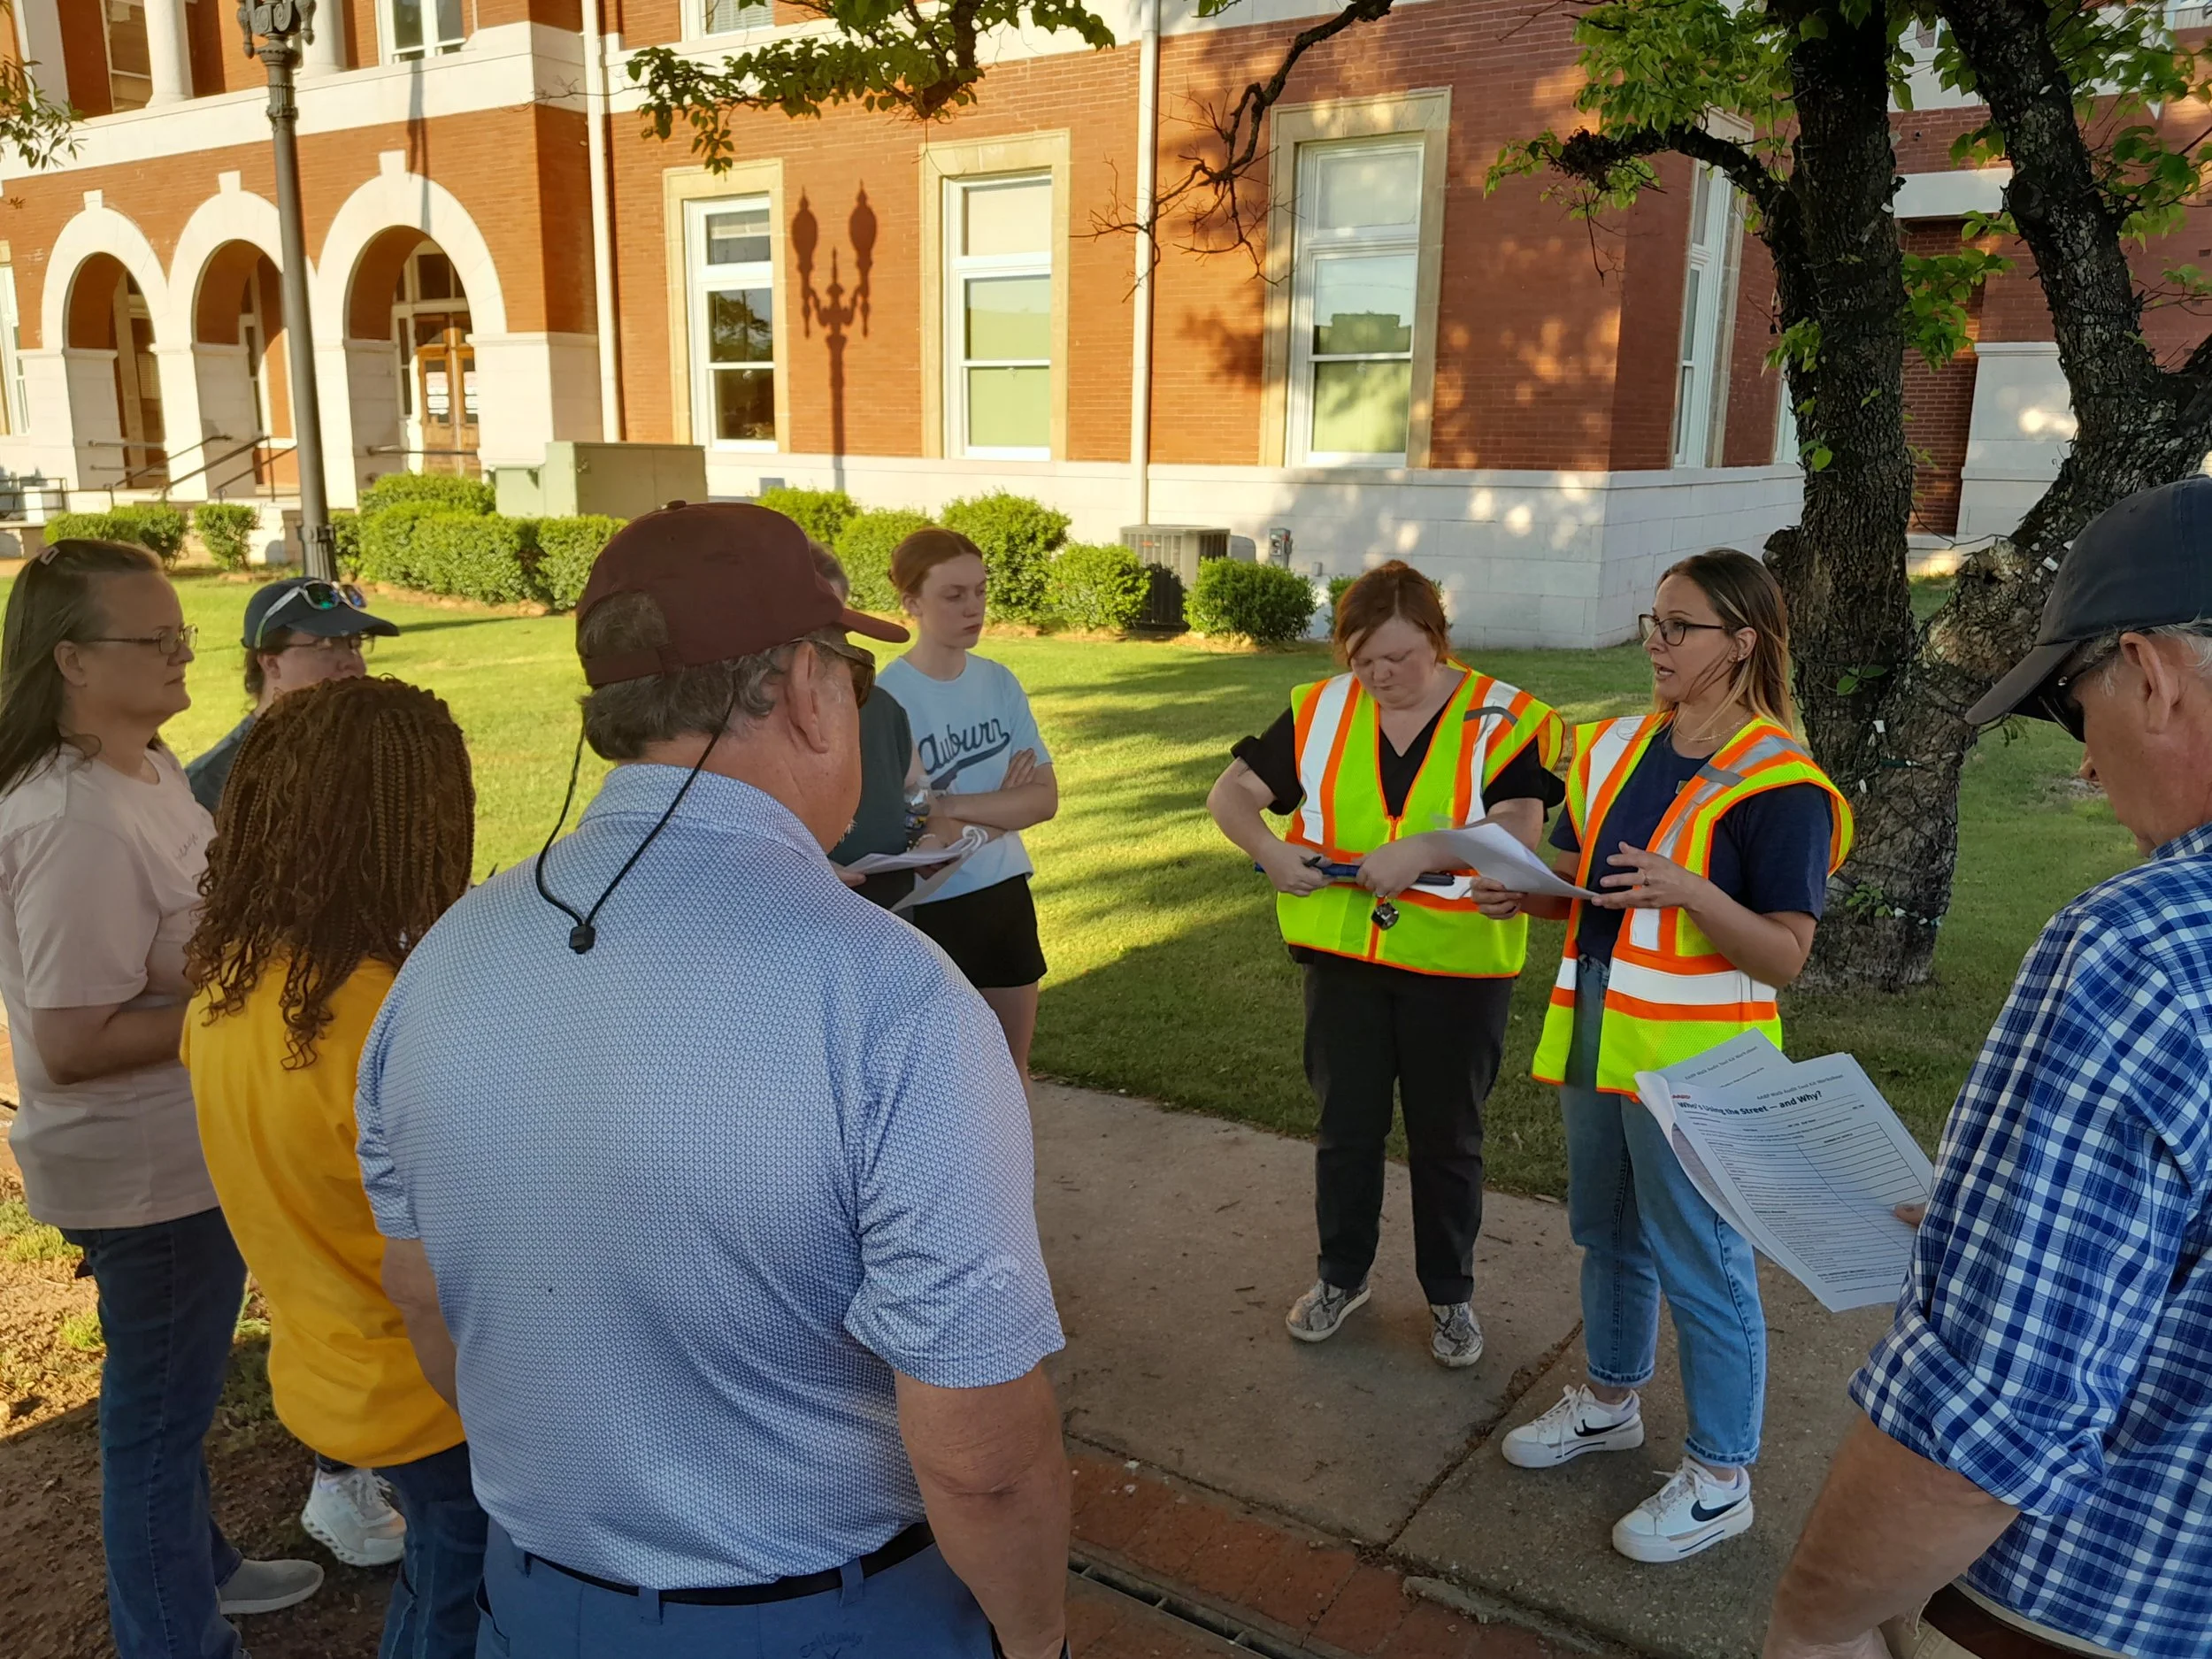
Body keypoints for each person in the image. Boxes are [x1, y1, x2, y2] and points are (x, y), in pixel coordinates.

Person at [353, 503, 1071, 1659]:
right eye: (854, 668)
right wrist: (1039, 1641)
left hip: (531, 1597)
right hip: (824, 1615)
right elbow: (980, 1454)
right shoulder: (895, 996)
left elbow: (426, 1291)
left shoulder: (442, 955)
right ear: (805, 688)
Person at [1763, 478, 2212, 1659]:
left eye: (2075, 713)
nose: (2092, 772)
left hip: (2089, 1615)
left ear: (2151, 671)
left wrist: (1814, 1621)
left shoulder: (2144, 951)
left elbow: (1992, 1413)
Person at [1486, 549, 1849, 1564]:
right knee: (1606, 1229)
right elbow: (1594, 875)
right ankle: (1609, 1399)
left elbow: (1783, 955)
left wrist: (1694, 892)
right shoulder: (1619, 749)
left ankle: (1721, 1475)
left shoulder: (1783, 785)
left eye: (1677, 627)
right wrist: (1526, 881)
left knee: (1703, 1259)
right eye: (1652, 621)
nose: (1653, 640)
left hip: (1697, 1057)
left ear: (1744, 642)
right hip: (1602, 1025)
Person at [0, 541, 322, 1659]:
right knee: (154, 1418)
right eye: (156, 638)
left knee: (171, 1399)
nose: (185, 650)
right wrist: (255, 1012)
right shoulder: (72, 819)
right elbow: (72, 1039)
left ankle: (202, 1571)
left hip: (189, 1148)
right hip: (143, 1173)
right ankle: (174, 1635)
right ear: (73, 660)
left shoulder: (141, 769)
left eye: (185, 631)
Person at [182, 675, 486, 1659]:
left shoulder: (228, 994)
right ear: (407, 823)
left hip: (329, 1369)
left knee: (442, 1572)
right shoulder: (386, 1015)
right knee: (462, 1594)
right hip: (437, 1389)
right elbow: (477, 1229)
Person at [1207, 561, 1566, 1370]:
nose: (1380, 677)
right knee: (1347, 1128)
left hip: (1458, 967)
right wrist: (1271, 850)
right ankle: (1343, 1276)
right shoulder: (1319, 709)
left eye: (1400, 658)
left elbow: (1520, 827)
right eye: (1364, 661)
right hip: (1345, 961)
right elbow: (1230, 796)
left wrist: (1429, 847)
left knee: (1449, 1140)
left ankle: (1449, 1295)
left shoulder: (1501, 716)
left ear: (1438, 642)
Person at [185, 572, 409, 1567]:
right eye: (325, 647)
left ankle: (358, 1464)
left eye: (358, 644)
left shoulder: (363, 758)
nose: (349, 659)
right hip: (289, 1039)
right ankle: (340, 1475)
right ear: (267, 663)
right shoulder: (222, 782)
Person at [877, 528, 1059, 1076]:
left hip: (1003, 894)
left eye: (980, 591)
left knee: (1012, 1068)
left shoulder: (998, 682)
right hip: (930, 906)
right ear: (911, 602)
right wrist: (999, 804)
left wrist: (954, 806)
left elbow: (1043, 799)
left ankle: (1019, 1169)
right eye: (953, 595)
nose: (973, 608)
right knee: (945, 1079)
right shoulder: (889, 698)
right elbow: (911, 826)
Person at [185, 576, 401, 814]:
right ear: (271, 663)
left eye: (353, 643)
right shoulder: (210, 787)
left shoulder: (377, 752)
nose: (353, 665)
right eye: (325, 646)